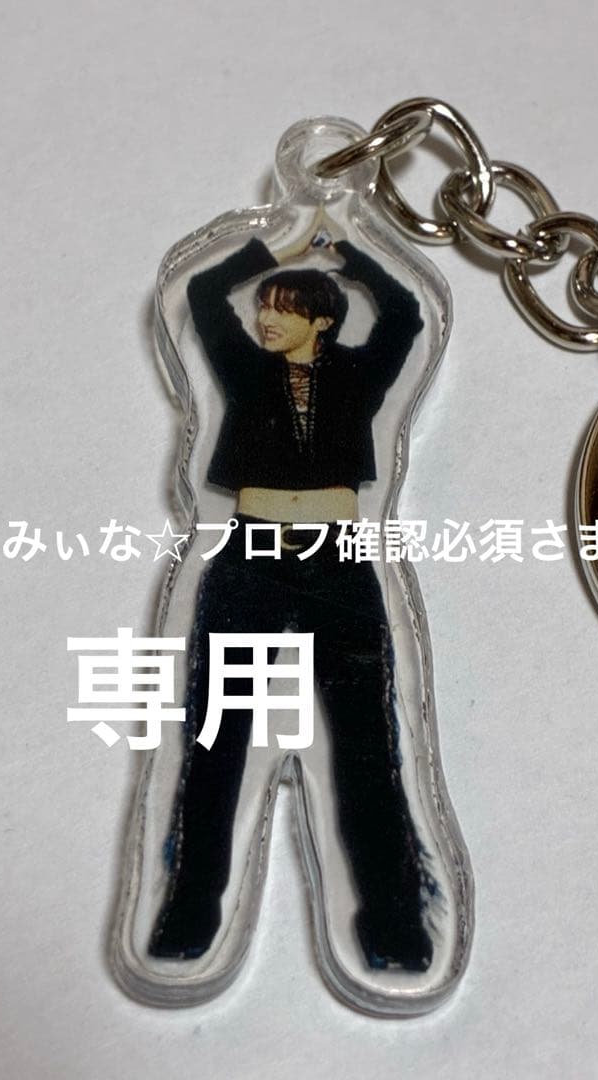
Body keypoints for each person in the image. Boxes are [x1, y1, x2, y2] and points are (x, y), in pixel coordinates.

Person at [148, 211, 434, 971]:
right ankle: (186, 915)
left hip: (338, 557)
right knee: (215, 736)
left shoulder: (361, 376)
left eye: (282, 309)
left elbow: (405, 312)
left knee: (368, 743)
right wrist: (279, 246)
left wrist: (348, 253)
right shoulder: (243, 370)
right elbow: (203, 295)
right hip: (250, 554)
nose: (264, 319)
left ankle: (396, 926)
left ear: (322, 321)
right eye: (262, 308)